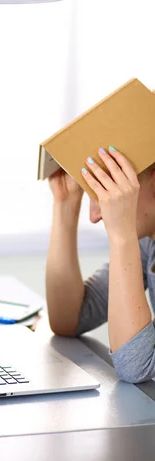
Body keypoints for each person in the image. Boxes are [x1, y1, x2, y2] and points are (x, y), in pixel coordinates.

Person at [46, 145, 155, 383]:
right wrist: (65, 203)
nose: (94, 216)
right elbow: (71, 318)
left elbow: (137, 366)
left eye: (109, 193)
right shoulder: (150, 243)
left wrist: (121, 235)